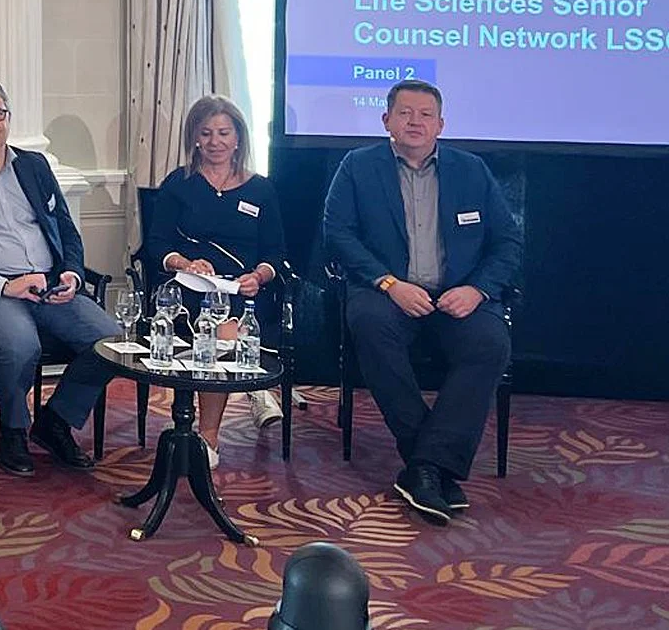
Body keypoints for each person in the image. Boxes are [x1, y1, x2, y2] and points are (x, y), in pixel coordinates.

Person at [323, 80, 521, 526]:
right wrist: (389, 283)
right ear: (386, 120)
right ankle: (431, 462)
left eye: (425, 114)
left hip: (458, 295)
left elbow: (507, 242)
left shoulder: (472, 171)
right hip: (388, 293)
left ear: (441, 124)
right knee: (370, 326)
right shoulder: (358, 167)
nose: (415, 122)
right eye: (405, 113)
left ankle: (424, 465)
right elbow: (337, 234)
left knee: (490, 344)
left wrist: (477, 290)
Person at [0, 80, 120, 477]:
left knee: (111, 342)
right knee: (20, 345)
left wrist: (72, 274)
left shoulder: (35, 166)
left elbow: (66, 229)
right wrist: (3, 284)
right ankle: (13, 429)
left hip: (50, 284)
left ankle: (55, 422)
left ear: (8, 118)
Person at [145, 96, 288, 468]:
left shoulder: (262, 189)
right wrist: (185, 262)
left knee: (225, 324)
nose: (215, 141)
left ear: (238, 138)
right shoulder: (179, 184)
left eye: (224, 133)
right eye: (205, 133)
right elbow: (155, 245)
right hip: (188, 288)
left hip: (245, 290)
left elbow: (275, 254)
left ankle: (209, 434)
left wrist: (259, 276)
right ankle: (250, 384)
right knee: (216, 326)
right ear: (194, 138)